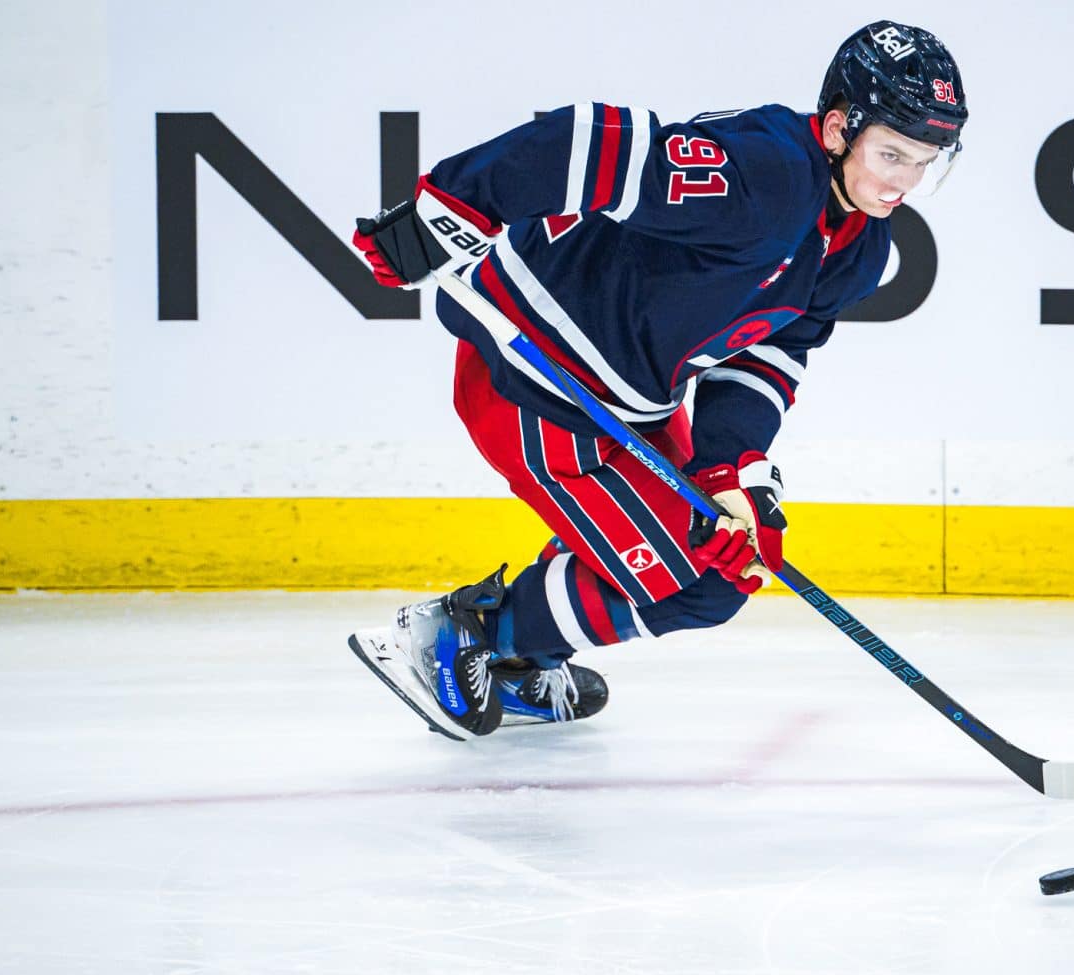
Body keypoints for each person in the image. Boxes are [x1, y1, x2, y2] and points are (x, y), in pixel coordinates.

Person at [347, 21, 968, 740]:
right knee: (696, 581)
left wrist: (731, 466)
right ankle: (464, 638)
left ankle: (517, 657)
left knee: (723, 567)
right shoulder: (765, 175)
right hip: (534, 381)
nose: (903, 182)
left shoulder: (860, 248)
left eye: (923, 162)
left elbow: (769, 352)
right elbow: (590, 144)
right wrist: (451, 207)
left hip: (628, 401)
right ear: (838, 128)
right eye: (891, 154)